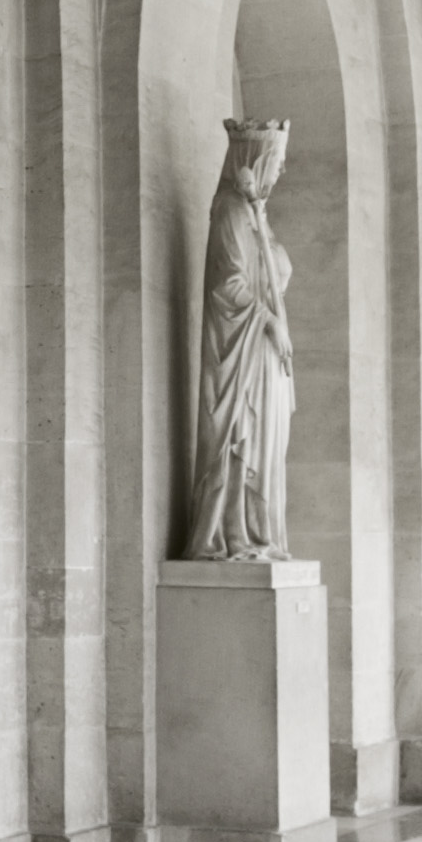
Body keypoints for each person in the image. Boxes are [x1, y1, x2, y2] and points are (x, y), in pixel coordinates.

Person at [181, 121, 292, 560]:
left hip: (262, 354)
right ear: (257, 162)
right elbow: (229, 288)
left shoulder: (253, 214)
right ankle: (233, 532)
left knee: (266, 447)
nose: (280, 173)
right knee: (241, 440)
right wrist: (270, 322)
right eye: (277, 163)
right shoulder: (229, 209)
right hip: (242, 352)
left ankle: (259, 532)